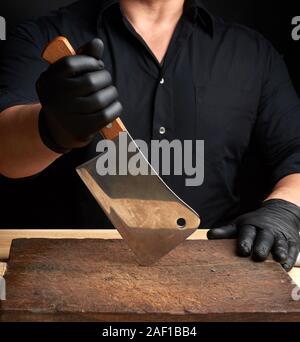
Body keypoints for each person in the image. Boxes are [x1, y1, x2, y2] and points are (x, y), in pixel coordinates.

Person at [1, 0, 300, 271]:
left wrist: (285, 207)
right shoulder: (41, 35)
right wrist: (51, 126)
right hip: (68, 269)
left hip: (216, 269)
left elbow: (295, 152)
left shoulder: (252, 52)